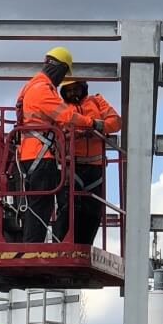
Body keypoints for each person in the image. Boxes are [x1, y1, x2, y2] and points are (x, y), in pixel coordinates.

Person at [14, 47, 106, 243]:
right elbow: (65, 115)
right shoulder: (42, 89)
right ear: (59, 68)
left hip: (34, 153)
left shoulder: (32, 86)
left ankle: (32, 245)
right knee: (41, 204)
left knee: (41, 203)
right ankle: (32, 247)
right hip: (40, 154)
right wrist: (91, 123)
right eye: (64, 73)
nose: (62, 79)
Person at [55, 78, 122, 245]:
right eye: (68, 90)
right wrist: (72, 134)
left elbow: (115, 122)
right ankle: (62, 245)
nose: (72, 93)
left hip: (95, 168)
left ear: (82, 87)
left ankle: (85, 247)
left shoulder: (97, 101)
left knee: (93, 211)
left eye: (75, 88)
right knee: (68, 209)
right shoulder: (60, 108)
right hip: (71, 166)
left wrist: (96, 127)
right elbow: (54, 131)